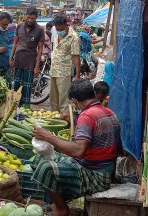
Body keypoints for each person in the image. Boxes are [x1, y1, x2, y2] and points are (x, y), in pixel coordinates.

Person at [32, 79, 120, 216]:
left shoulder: (88, 115)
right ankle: (55, 203)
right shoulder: (109, 113)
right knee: (42, 158)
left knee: (45, 168)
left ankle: (61, 209)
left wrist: (49, 137)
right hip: (104, 171)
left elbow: (79, 151)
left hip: (97, 176)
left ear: (75, 101)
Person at [10, 7, 44, 106]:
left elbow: (40, 49)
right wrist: (11, 58)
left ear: (36, 18)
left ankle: (25, 109)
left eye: (32, 18)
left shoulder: (40, 30)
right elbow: (15, 44)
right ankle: (14, 109)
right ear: (25, 16)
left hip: (30, 63)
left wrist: (37, 67)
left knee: (27, 88)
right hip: (18, 61)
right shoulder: (19, 26)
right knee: (16, 86)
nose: (30, 20)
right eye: (28, 17)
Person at [50, 14, 81, 113]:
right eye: (57, 28)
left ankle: (66, 121)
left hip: (64, 71)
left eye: (61, 28)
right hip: (53, 69)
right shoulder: (56, 34)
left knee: (64, 100)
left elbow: (76, 56)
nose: (59, 31)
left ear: (66, 25)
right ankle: (55, 118)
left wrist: (77, 75)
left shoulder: (74, 37)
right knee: (54, 99)